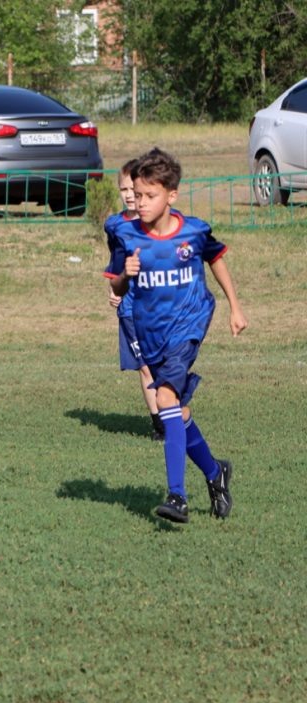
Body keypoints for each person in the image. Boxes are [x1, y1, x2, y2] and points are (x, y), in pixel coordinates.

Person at [105, 148, 247, 523]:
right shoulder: (123, 233)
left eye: (149, 196)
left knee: (164, 396)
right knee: (176, 413)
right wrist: (125, 276)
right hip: (150, 330)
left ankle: (177, 496)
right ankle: (215, 472)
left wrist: (235, 306)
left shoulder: (193, 231)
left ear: (172, 195)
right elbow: (116, 287)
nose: (140, 202)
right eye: (136, 194)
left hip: (188, 325)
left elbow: (216, 258)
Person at [105, 159, 163, 440]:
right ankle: (160, 426)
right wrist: (113, 288)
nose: (129, 195)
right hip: (130, 308)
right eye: (123, 190)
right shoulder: (115, 225)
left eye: (134, 190)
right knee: (144, 366)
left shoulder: (155, 221)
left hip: (157, 307)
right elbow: (115, 265)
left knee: (163, 365)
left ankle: (174, 416)